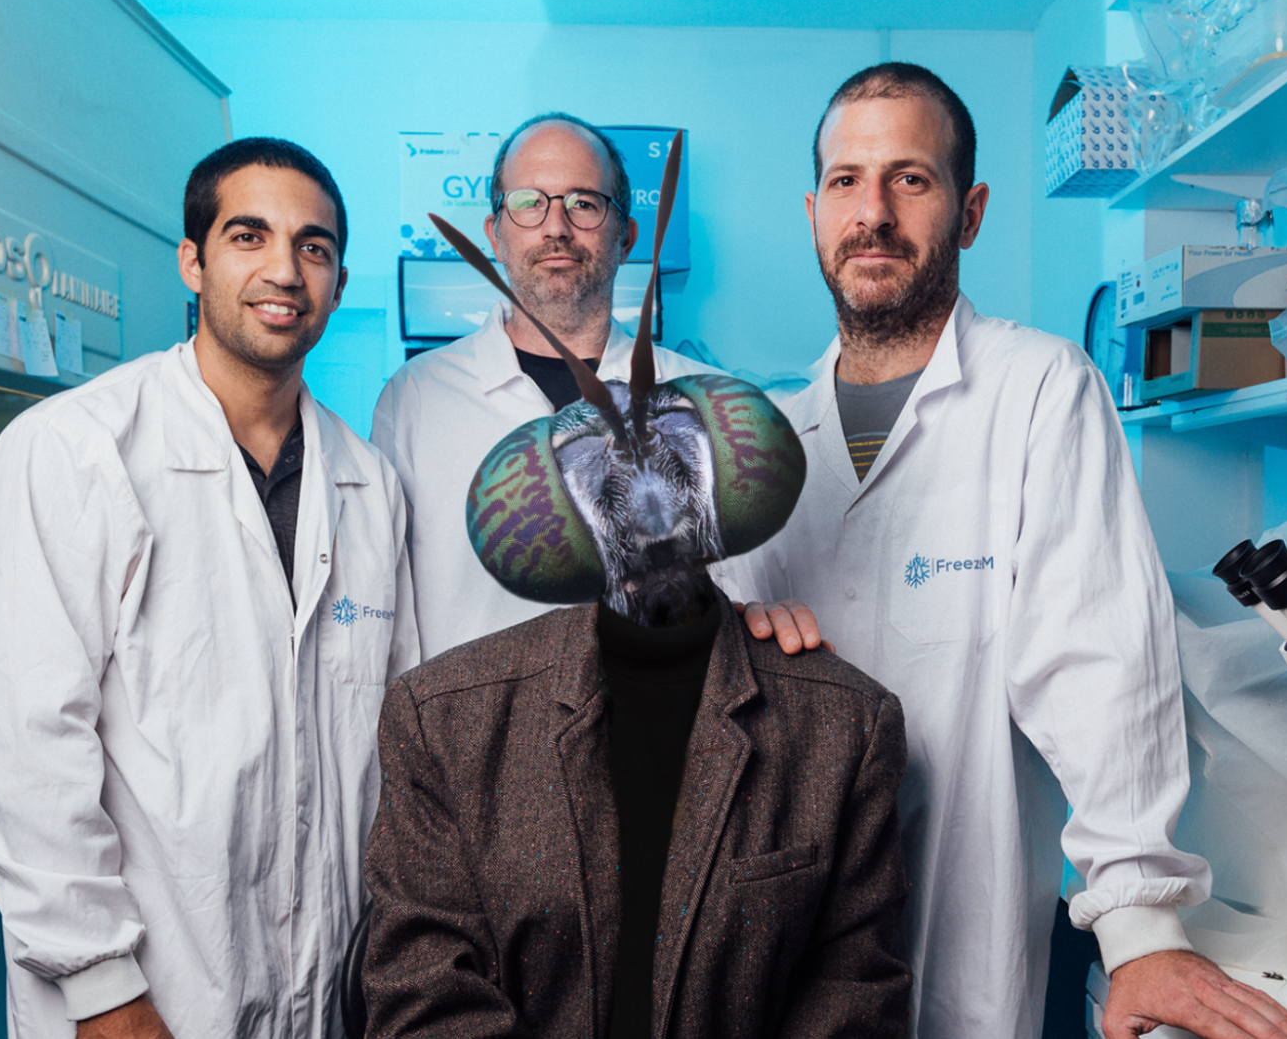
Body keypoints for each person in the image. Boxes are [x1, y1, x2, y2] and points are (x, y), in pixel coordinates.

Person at [714, 64, 1287, 1039]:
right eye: (845, 181)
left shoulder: (1040, 390)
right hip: (783, 930)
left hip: (965, 908)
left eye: (909, 178)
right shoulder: (762, 439)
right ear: (812, 211)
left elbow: (1098, 661)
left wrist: (1140, 923)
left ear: (971, 208)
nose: (872, 211)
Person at [361, 231, 911, 1039]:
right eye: (600, 454)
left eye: (672, 439)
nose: (641, 472)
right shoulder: (439, 722)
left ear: (730, 471)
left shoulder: (843, 726)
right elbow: (424, 997)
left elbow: (851, 997)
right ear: (555, 511)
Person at [0, 138, 418, 1039]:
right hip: (141, 995)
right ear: (193, 261)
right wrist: (103, 992)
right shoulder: (78, 450)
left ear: (338, 280)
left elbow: (384, 743)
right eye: (249, 236)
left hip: (324, 990)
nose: (284, 269)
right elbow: (19, 751)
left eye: (313, 247)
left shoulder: (369, 484)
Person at [371, 113, 820, 661]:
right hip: (480, 738)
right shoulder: (417, 397)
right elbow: (388, 617)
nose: (555, 227)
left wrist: (766, 616)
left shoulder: (700, 401)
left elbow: (742, 592)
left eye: (584, 203)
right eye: (529, 203)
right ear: (495, 233)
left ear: (626, 235)